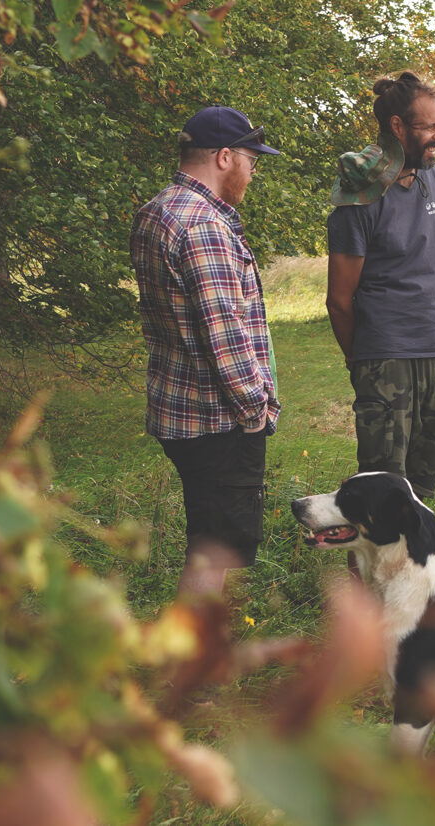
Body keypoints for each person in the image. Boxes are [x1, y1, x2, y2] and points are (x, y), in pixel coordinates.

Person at [130, 106, 281, 597]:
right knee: (212, 550)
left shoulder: (157, 210)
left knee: (208, 541)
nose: (253, 171)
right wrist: (255, 410)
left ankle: (193, 656)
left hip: (179, 408)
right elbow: (226, 334)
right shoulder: (204, 227)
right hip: (216, 419)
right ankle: (191, 664)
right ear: (223, 157)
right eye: (250, 160)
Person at [326, 71, 435, 500]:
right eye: (430, 127)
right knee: (382, 490)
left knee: (424, 484)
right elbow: (339, 300)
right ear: (398, 127)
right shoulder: (359, 199)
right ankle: (363, 569)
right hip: (385, 359)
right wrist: (361, 362)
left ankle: (411, 567)